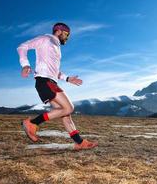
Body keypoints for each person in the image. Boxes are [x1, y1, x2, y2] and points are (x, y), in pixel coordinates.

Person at [17, 22, 98, 150]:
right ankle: (32, 123)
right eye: (66, 34)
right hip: (44, 81)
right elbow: (22, 46)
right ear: (59, 31)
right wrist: (25, 65)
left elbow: (54, 71)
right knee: (69, 107)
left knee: (65, 114)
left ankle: (79, 142)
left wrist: (67, 78)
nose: (67, 37)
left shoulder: (56, 48)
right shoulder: (46, 39)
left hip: (50, 81)